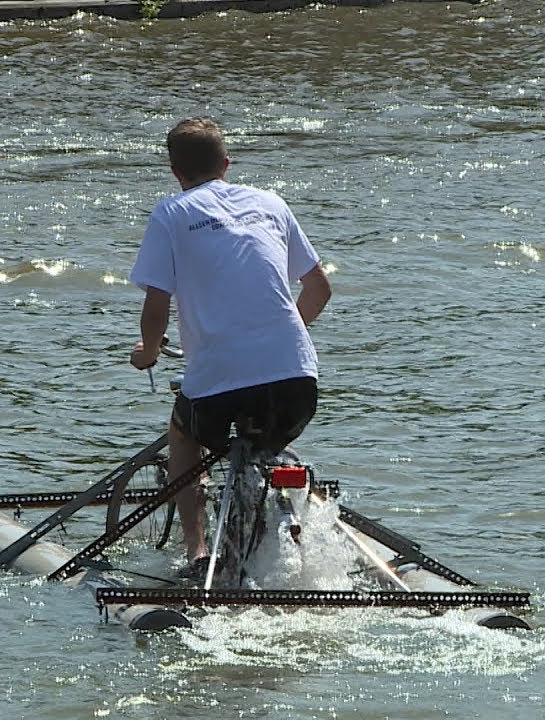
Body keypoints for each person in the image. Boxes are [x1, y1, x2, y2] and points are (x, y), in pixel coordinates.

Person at [128, 117, 332, 573]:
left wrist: (147, 353)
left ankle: (198, 552)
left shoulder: (172, 213)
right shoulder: (272, 203)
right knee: (269, 437)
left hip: (222, 391)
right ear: (226, 163)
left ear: (175, 171)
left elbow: (156, 304)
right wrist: (282, 331)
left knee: (184, 433)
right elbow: (319, 288)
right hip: (298, 384)